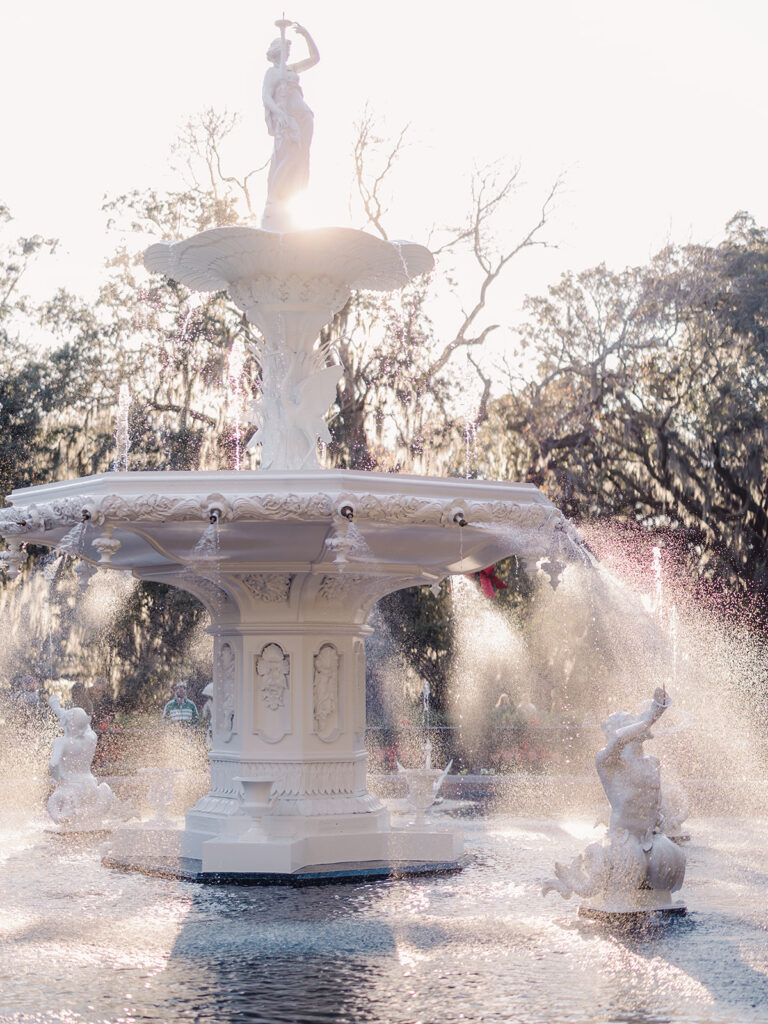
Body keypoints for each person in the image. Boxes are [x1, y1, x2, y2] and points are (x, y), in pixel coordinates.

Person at [261, 21, 320, 230]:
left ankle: (293, 195)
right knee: (287, 155)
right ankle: (274, 200)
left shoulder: (292, 69)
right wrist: (278, 113)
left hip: (304, 115)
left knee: (302, 157)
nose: (288, 53)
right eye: (286, 49)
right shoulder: (272, 73)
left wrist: (306, 35)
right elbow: (266, 97)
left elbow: (315, 58)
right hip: (286, 118)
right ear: (277, 52)